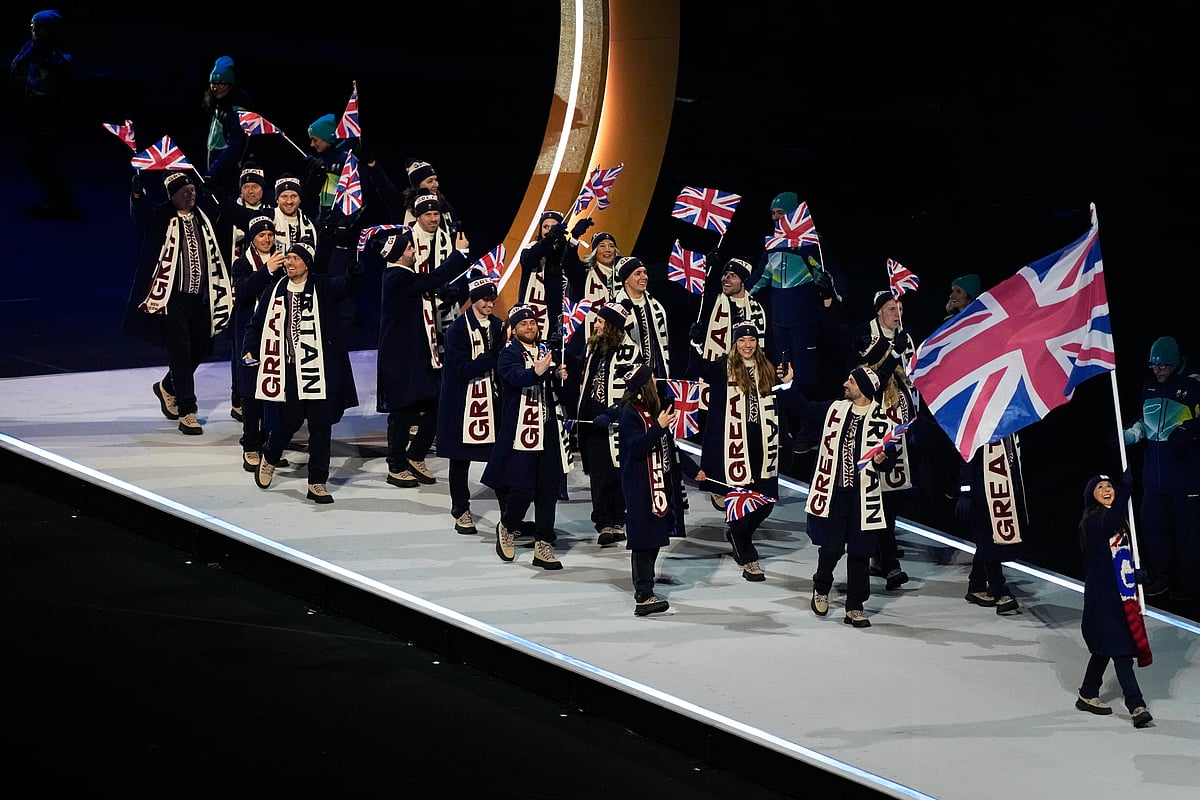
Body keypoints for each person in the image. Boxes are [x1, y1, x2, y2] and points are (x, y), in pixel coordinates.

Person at [242, 239, 361, 504]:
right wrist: (249, 349)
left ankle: (317, 481)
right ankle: (270, 455)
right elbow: (257, 324)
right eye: (288, 258)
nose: (290, 262)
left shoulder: (322, 286)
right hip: (289, 371)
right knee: (288, 423)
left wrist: (354, 271)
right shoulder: (275, 290)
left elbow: (345, 285)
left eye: (296, 258)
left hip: (319, 369)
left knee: (321, 425)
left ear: (307, 263)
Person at [126, 169, 233, 436]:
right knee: (181, 354)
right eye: (185, 192)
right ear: (173, 196)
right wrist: (137, 196)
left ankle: (167, 386)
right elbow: (142, 217)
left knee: (201, 349)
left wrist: (214, 192)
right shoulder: (162, 215)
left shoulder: (204, 215)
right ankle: (188, 411)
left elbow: (227, 217)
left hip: (200, 299)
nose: (191, 195)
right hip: (171, 300)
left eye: (193, 190)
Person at [371, 224, 473, 488]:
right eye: (408, 247)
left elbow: (428, 289)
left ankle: (415, 455)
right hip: (400, 359)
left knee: (437, 404)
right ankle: (395, 466)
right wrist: (459, 255)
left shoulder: (406, 277)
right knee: (402, 411)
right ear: (398, 254)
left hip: (420, 354)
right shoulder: (395, 277)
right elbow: (431, 279)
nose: (414, 250)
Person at [698, 321, 796, 581]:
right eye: (742, 340)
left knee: (765, 503)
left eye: (751, 340)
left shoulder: (769, 370)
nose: (747, 345)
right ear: (734, 343)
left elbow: (781, 406)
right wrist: (696, 343)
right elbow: (695, 369)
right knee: (739, 503)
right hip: (733, 449)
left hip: (765, 447)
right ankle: (748, 555)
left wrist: (787, 384)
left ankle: (737, 533)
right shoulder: (722, 368)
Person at [802, 365, 897, 627]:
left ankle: (855, 605)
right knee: (831, 548)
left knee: (860, 552)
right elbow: (806, 409)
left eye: (852, 381)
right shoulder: (836, 409)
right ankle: (821, 587)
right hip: (834, 494)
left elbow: (890, 462)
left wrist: (881, 461)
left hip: (863, 499)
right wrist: (788, 386)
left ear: (864, 389)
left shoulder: (883, 422)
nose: (846, 383)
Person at [481, 304, 573, 569]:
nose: (530, 327)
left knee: (548, 488)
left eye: (532, 323)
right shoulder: (508, 354)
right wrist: (538, 372)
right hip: (521, 431)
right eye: (524, 324)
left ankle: (543, 543)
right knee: (523, 487)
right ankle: (508, 526)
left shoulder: (546, 352)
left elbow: (552, 385)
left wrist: (557, 374)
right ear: (514, 329)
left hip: (548, 429)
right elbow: (517, 378)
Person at [618, 363, 706, 616]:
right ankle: (643, 595)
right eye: (652, 378)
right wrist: (659, 426)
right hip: (640, 486)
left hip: (657, 484)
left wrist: (692, 469)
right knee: (643, 541)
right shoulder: (631, 414)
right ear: (643, 385)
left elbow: (671, 448)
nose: (657, 381)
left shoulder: (651, 409)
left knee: (654, 537)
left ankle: (646, 584)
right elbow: (636, 448)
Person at [1121, 335, 1200, 600]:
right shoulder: (1149, 387)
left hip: (1185, 478)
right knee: (1152, 527)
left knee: (1187, 534)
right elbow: (1145, 422)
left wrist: (1192, 429)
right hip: (1154, 477)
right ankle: (1160, 577)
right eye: (1154, 366)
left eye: (1163, 366)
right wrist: (1130, 435)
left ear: (1174, 363)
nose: (1158, 371)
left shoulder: (1193, 386)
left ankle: (1190, 584)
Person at [852, 291, 920, 591]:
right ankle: (889, 562)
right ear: (879, 312)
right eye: (891, 309)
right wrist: (895, 353)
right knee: (876, 495)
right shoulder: (865, 336)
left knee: (890, 499)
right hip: (875, 427)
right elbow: (872, 377)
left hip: (904, 427)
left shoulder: (907, 338)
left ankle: (882, 553)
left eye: (900, 308)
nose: (897, 313)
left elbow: (914, 380)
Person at [1075, 474, 1154, 728]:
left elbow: (1119, 561)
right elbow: (1107, 526)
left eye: (1110, 485)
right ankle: (1136, 705)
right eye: (1100, 487)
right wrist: (1124, 489)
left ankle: (1087, 693)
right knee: (1121, 652)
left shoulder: (1119, 521)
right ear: (1091, 496)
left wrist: (1134, 574)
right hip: (1103, 599)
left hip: (1119, 596)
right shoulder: (1094, 522)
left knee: (1103, 650)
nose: (1107, 489)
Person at [747, 191, 839, 395]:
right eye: (772, 213)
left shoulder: (811, 244)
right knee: (781, 377)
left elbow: (830, 277)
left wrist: (828, 287)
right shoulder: (772, 246)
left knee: (804, 380)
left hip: (804, 322)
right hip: (779, 324)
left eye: (779, 213)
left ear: (793, 214)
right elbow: (759, 278)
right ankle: (784, 423)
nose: (774, 218)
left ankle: (804, 425)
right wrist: (733, 294)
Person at [436, 276, 505, 534]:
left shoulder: (498, 325)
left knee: (499, 458)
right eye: (486, 300)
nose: (490, 304)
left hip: (493, 401)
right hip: (462, 403)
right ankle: (461, 510)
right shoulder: (456, 330)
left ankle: (508, 515)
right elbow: (463, 370)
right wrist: (491, 359)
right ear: (474, 300)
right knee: (460, 459)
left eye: (492, 300)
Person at [575, 302, 638, 545]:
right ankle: (603, 522)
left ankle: (618, 519)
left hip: (616, 421)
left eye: (601, 321)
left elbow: (633, 390)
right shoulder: (594, 346)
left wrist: (612, 412)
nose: (596, 325)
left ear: (612, 325)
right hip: (591, 420)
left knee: (617, 472)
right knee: (599, 474)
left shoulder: (630, 351)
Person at [9, 9, 79, 220]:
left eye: (38, 26)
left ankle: (61, 201)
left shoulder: (58, 56)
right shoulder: (31, 48)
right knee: (34, 156)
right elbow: (15, 71)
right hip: (33, 110)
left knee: (44, 157)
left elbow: (63, 87)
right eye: (32, 25)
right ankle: (57, 199)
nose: (33, 30)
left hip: (49, 113)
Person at [230, 214, 285, 471]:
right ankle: (250, 445)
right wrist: (268, 270)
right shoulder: (241, 265)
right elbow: (243, 292)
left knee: (274, 391)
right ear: (253, 239)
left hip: (276, 335)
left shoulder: (284, 261)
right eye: (262, 235)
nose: (267, 239)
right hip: (249, 338)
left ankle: (268, 445)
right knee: (251, 393)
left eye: (270, 234)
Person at [956, 434, 1025, 615]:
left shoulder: (1011, 433)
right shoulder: (981, 430)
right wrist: (965, 492)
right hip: (982, 495)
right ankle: (999, 591)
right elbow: (967, 460)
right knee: (989, 540)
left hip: (1003, 494)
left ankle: (976, 585)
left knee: (987, 542)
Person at [686, 257, 768, 375]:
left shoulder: (757, 309)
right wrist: (704, 268)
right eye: (725, 274)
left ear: (743, 281)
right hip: (716, 374)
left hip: (747, 375)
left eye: (733, 276)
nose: (726, 279)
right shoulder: (713, 302)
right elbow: (696, 296)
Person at [613, 257, 670, 381]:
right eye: (638, 274)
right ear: (626, 279)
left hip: (654, 377)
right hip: (626, 377)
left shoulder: (656, 307)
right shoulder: (615, 308)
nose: (644, 277)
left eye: (645, 272)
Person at [202, 56, 251, 198]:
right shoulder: (219, 105)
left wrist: (213, 172)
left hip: (231, 175)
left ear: (230, 84)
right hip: (220, 173)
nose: (215, 88)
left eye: (221, 83)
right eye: (213, 83)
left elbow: (236, 145)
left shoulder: (235, 109)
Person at [304, 113, 354, 224]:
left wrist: (344, 223)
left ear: (326, 138)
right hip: (323, 224)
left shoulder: (347, 160)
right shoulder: (320, 161)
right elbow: (309, 198)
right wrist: (315, 175)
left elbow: (356, 196)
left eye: (315, 140)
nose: (312, 144)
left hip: (342, 227)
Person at [402, 158, 458, 233]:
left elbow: (457, 235)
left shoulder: (446, 207)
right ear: (417, 185)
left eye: (436, 180)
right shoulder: (402, 206)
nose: (436, 184)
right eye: (430, 181)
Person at [271, 174, 319, 255]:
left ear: (300, 199)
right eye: (284, 196)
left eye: (293, 196)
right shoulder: (268, 218)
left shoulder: (311, 224)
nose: (289, 201)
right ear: (277, 200)